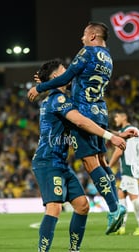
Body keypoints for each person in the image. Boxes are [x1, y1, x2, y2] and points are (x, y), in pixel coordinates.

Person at [27, 21, 129, 235]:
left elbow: (66, 78)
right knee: (102, 160)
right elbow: (76, 80)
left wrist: (41, 87)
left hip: (85, 112)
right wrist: (48, 79)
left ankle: (114, 207)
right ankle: (116, 204)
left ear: (93, 36)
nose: (81, 39)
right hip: (101, 111)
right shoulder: (108, 58)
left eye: (84, 34)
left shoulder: (86, 52)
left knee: (91, 163)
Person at [30, 59, 127, 252]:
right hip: (47, 163)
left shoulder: (62, 98)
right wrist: (111, 136)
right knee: (54, 207)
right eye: (64, 71)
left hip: (61, 164)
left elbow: (87, 122)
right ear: (57, 78)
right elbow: (82, 122)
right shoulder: (57, 100)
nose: (69, 73)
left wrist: (116, 134)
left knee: (82, 206)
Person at [108, 111, 139, 236]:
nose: (115, 119)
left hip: (128, 168)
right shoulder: (138, 131)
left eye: (116, 116)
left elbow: (118, 151)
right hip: (135, 168)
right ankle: (121, 226)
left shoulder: (125, 132)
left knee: (134, 198)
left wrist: (108, 166)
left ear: (124, 117)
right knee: (121, 195)